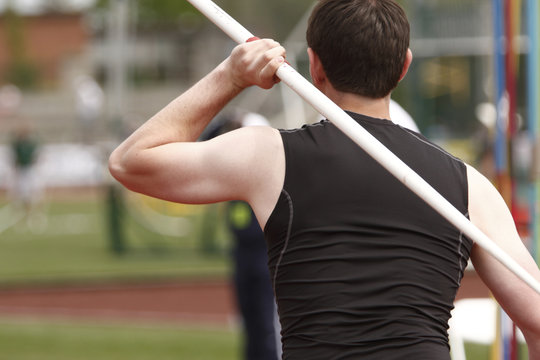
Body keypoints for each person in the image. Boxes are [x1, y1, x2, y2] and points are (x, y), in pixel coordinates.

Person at [109, 0, 540, 358]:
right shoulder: (470, 186)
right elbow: (536, 319)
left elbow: (131, 161)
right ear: (404, 66)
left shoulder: (268, 156)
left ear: (314, 66)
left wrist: (232, 77)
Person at [202, 111, 280, 360]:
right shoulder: (234, 173)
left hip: (265, 257)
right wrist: (223, 120)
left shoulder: (271, 176)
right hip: (242, 256)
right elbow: (204, 146)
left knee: (267, 328)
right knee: (250, 327)